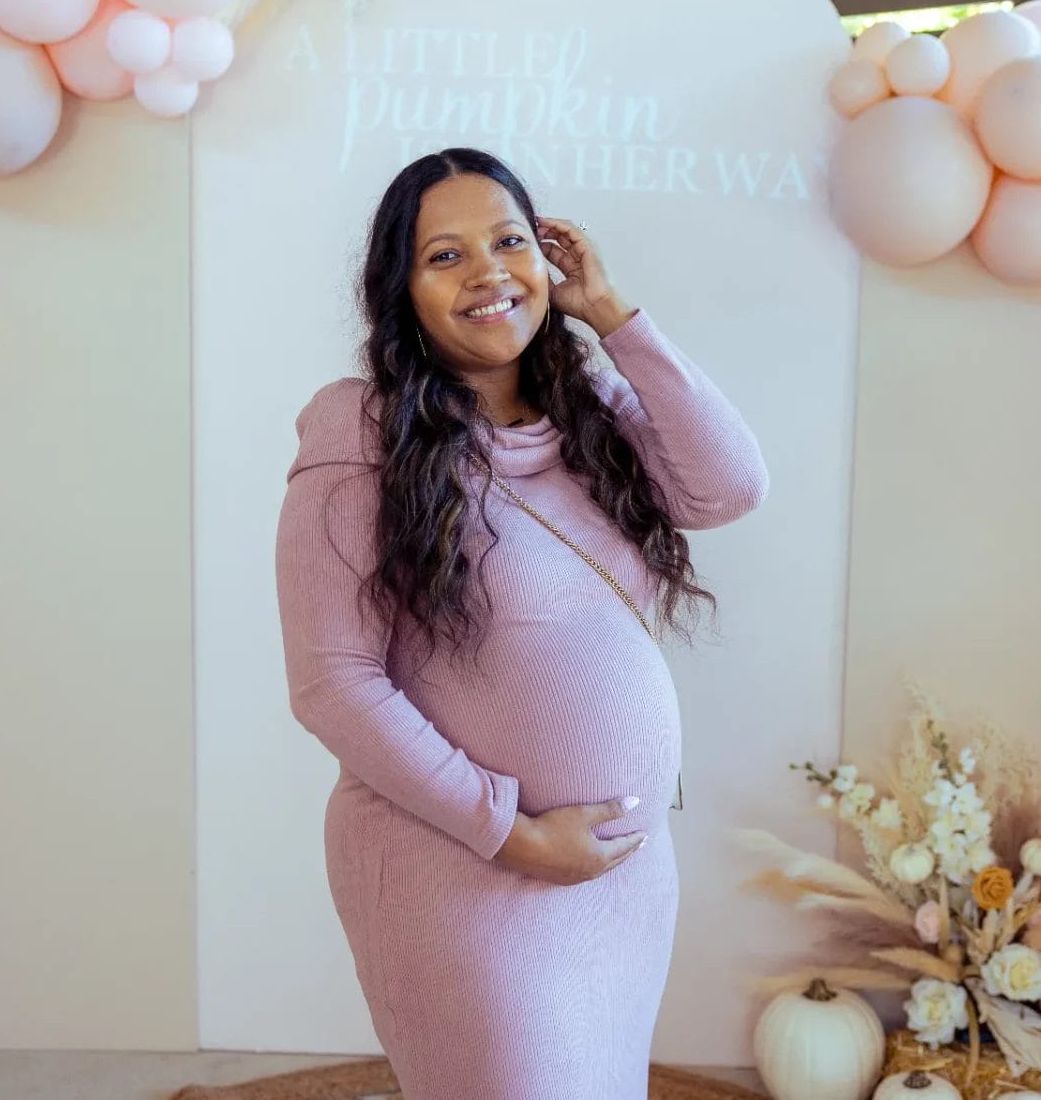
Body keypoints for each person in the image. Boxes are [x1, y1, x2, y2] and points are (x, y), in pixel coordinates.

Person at [275, 147, 768, 1099]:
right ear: (400, 289)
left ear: (549, 259)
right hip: (461, 866)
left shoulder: (591, 412)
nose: (488, 271)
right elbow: (332, 681)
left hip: (619, 879)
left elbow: (731, 485)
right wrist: (510, 832)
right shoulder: (359, 428)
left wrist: (616, 317)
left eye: (508, 241)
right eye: (444, 255)